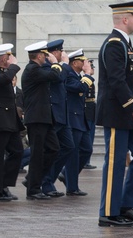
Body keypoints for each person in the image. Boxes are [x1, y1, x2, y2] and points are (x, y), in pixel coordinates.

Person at [97, 0, 133, 227]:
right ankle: (108, 212)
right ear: (125, 19)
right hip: (117, 112)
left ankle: (126, 205)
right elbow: (117, 81)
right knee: (116, 162)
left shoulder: (124, 43)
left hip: (127, 112)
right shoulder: (113, 44)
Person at [21, 41, 61, 200]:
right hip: (36, 118)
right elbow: (54, 76)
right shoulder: (32, 69)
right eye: (44, 55)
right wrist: (56, 63)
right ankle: (33, 189)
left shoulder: (36, 69)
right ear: (38, 56)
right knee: (37, 154)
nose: (46, 57)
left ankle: (32, 180)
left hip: (44, 117)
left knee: (54, 149)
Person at [0, 44, 25, 202]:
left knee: (17, 151)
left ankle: (4, 184)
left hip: (10, 120)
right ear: (3, 58)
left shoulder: (3, 73)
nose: (10, 59)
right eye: (8, 57)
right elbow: (5, 79)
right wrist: (14, 66)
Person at [41, 39, 75, 198]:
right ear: (54, 53)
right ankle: (45, 183)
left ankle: (47, 179)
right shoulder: (48, 67)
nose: (63, 54)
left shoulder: (57, 67)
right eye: (61, 51)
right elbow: (59, 78)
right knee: (51, 150)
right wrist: (66, 64)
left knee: (68, 147)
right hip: (54, 114)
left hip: (63, 114)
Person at [62, 49, 94, 195]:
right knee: (73, 154)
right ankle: (72, 187)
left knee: (87, 150)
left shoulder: (77, 75)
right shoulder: (68, 75)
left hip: (81, 118)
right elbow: (79, 87)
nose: (85, 63)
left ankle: (65, 174)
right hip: (72, 118)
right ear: (74, 63)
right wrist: (87, 74)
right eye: (82, 61)